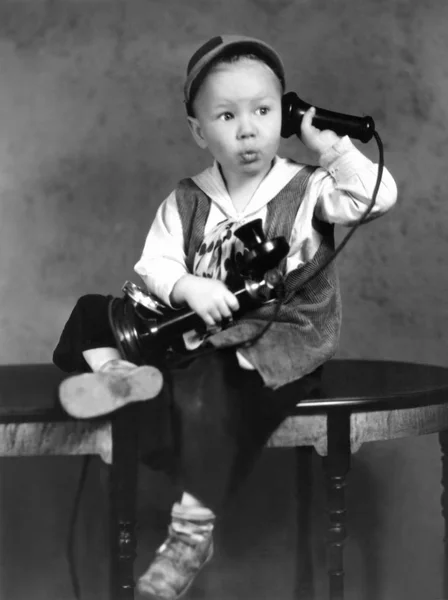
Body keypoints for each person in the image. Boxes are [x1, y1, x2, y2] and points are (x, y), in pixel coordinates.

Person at [53, 34, 398, 600]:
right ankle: (119, 378)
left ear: (283, 113)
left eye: (263, 111)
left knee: (216, 382)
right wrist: (188, 285)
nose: (247, 130)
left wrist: (329, 147)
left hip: (275, 332)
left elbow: (377, 195)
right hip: (198, 329)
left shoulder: (308, 188)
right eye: (226, 115)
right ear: (198, 130)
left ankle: (191, 531)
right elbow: (154, 264)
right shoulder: (187, 198)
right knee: (94, 314)